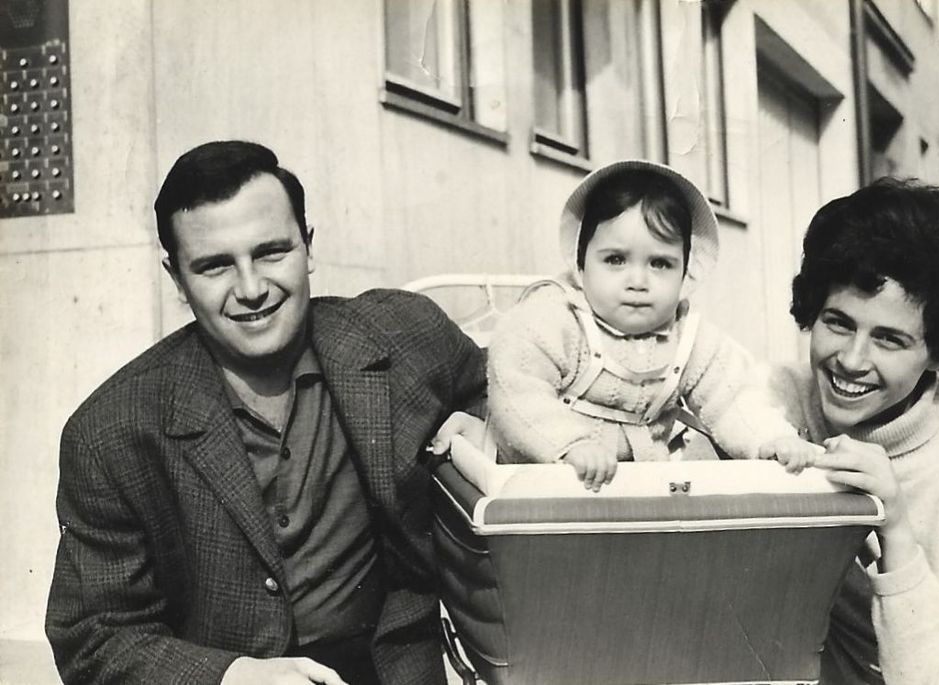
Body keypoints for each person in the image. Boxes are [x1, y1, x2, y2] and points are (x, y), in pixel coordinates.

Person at [45, 141, 487, 685]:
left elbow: (520, 385)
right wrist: (232, 676)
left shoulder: (403, 335)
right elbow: (94, 636)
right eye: (214, 267)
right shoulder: (112, 431)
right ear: (177, 279)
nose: (252, 289)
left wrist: (488, 421)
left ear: (309, 246)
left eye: (272, 252)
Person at [769, 178, 939, 684]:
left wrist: (897, 532)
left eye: (889, 339)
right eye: (838, 322)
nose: (851, 360)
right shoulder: (773, 402)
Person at [486, 159, 818, 491]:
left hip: (640, 489)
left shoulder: (687, 336)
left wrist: (770, 438)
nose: (638, 281)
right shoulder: (553, 319)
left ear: (686, 273)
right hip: (542, 480)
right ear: (581, 262)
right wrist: (570, 444)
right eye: (615, 260)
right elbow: (517, 391)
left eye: (660, 263)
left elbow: (733, 398)